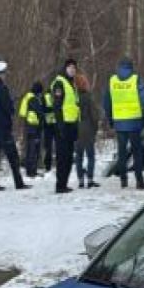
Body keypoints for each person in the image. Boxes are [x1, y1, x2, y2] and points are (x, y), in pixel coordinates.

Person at [102, 56, 144, 190]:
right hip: (135, 122)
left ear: (119, 67)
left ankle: (123, 181)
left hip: (119, 123)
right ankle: (139, 181)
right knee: (137, 152)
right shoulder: (136, 79)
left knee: (122, 153)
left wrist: (110, 119)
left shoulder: (112, 81)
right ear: (131, 67)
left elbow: (107, 102)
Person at [0, 60, 29, 191]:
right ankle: (18, 183)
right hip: (3, 128)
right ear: (1, 74)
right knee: (13, 157)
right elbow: (9, 109)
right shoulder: (2, 89)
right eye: (4, 73)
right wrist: (11, 105)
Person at [50, 58, 81, 193]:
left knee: (68, 157)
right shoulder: (59, 83)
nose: (72, 70)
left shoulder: (72, 83)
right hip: (62, 125)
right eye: (70, 67)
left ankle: (64, 183)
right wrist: (60, 125)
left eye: (74, 68)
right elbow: (57, 106)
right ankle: (60, 185)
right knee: (62, 157)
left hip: (71, 124)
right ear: (65, 69)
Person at [74, 73, 100, 189]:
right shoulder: (89, 97)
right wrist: (95, 128)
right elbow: (94, 115)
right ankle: (90, 179)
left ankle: (80, 179)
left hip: (76, 130)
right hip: (88, 128)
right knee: (90, 155)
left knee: (78, 156)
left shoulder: (73, 97)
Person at [18, 81, 46, 178]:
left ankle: (30, 171)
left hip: (28, 126)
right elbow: (40, 112)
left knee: (30, 149)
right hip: (34, 127)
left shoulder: (27, 96)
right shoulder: (33, 99)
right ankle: (31, 172)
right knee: (33, 150)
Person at [42, 78, 57, 173]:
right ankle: (57, 163)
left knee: (48, 146)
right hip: (55, 122)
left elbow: (43, 109)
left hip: (47, 124)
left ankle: (47, 165)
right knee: (59, 144)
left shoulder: (44, 97)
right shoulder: (56, 95)